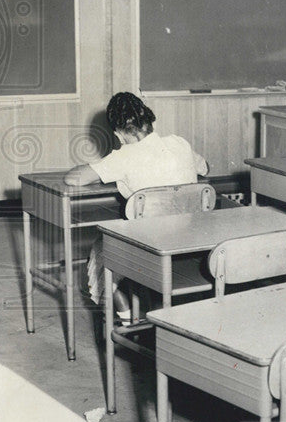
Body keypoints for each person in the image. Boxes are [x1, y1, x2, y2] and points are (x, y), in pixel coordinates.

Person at [64, 92, 208, 322]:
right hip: (190, 243)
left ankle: (127, 317)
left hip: (148, 246)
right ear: (149, 121)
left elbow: (74, 180)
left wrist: (95, 164)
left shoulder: (122, 157)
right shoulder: (179, 142)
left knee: (99, 251)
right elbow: (205, 168)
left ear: (118, 134)